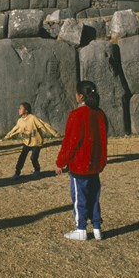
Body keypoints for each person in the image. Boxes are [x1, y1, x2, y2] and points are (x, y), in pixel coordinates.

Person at [55, 81, 108, 241]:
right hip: (95, 163)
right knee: (94, 196)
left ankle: (81, 229)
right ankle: (97, 228)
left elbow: (71, 141)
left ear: (81, 96)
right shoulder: (100, 114)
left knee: (79, 196)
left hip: (80, 164)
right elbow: (103, 138)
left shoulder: (77, 115)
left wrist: (60, 162)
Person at [4, 102, 60, 180]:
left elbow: (43, 125)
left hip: (36, 143)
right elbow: (15, 129)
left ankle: (37, 171)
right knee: (22, 157)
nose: (19, 110)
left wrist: (54, 133)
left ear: (26, 110)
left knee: (33, 158)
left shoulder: (33, 118)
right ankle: (17, 173)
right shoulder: (20, 121)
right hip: (27, 143)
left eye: (21, 108)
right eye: (19, 108)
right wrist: (8, 136)